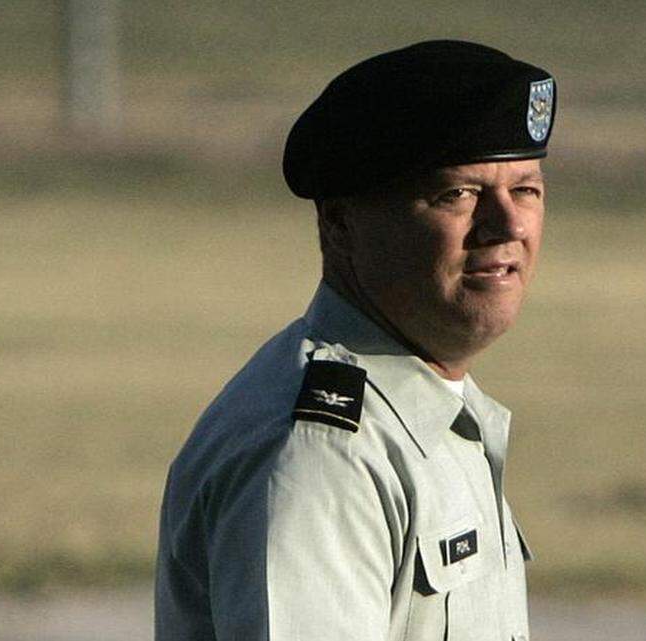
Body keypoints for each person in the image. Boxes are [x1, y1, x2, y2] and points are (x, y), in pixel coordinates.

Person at [154, 40, 556, 641]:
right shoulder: (324, 456)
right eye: (458, 195)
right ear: (341, 223)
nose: (508, 225)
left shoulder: (427, 411)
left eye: (524, 189)